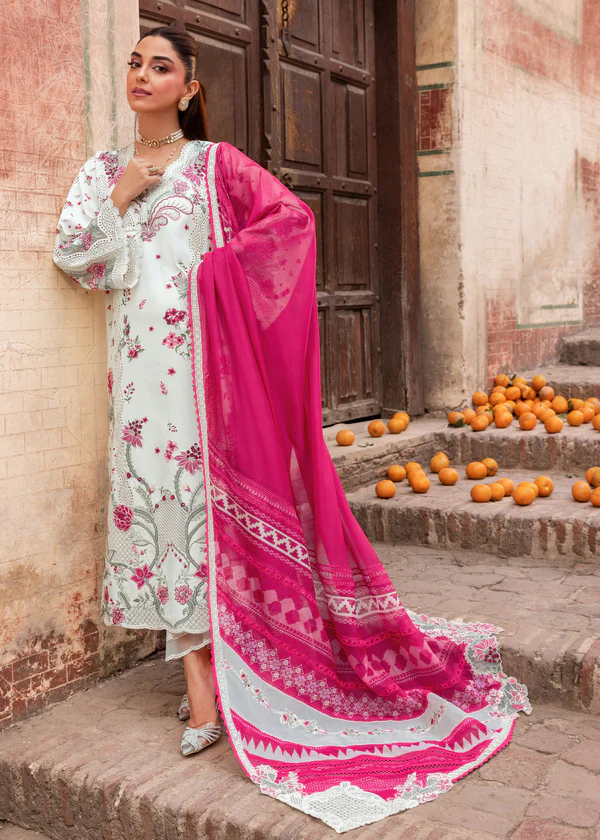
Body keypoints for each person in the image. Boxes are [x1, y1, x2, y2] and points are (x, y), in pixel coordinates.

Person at [53, 25, 531, 834]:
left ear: (189, 87)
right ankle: (205, 680)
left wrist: (215, 276)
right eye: (134, 62)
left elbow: (290, 224)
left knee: (200, 517)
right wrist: (124, 193)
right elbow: (75, 254)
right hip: (136, 383)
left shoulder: (216, 165)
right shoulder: (103, 173)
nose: (142, 75)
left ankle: (208, 693)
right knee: (161, 518)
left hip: (206, 379)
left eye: (160, 67)